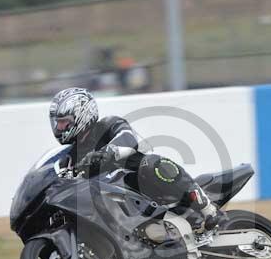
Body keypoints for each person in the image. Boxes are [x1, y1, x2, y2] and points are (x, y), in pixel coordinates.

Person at [49, 87, 222, 231]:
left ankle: (207, 208)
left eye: (64, 122)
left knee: (152, 163)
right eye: (58, 123)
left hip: (137, 183)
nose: (59, 127)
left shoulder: (109, 125)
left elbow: (128, 140)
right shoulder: (69, 157)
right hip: (107, 204)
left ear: (82, 114)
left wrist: (106, 152)